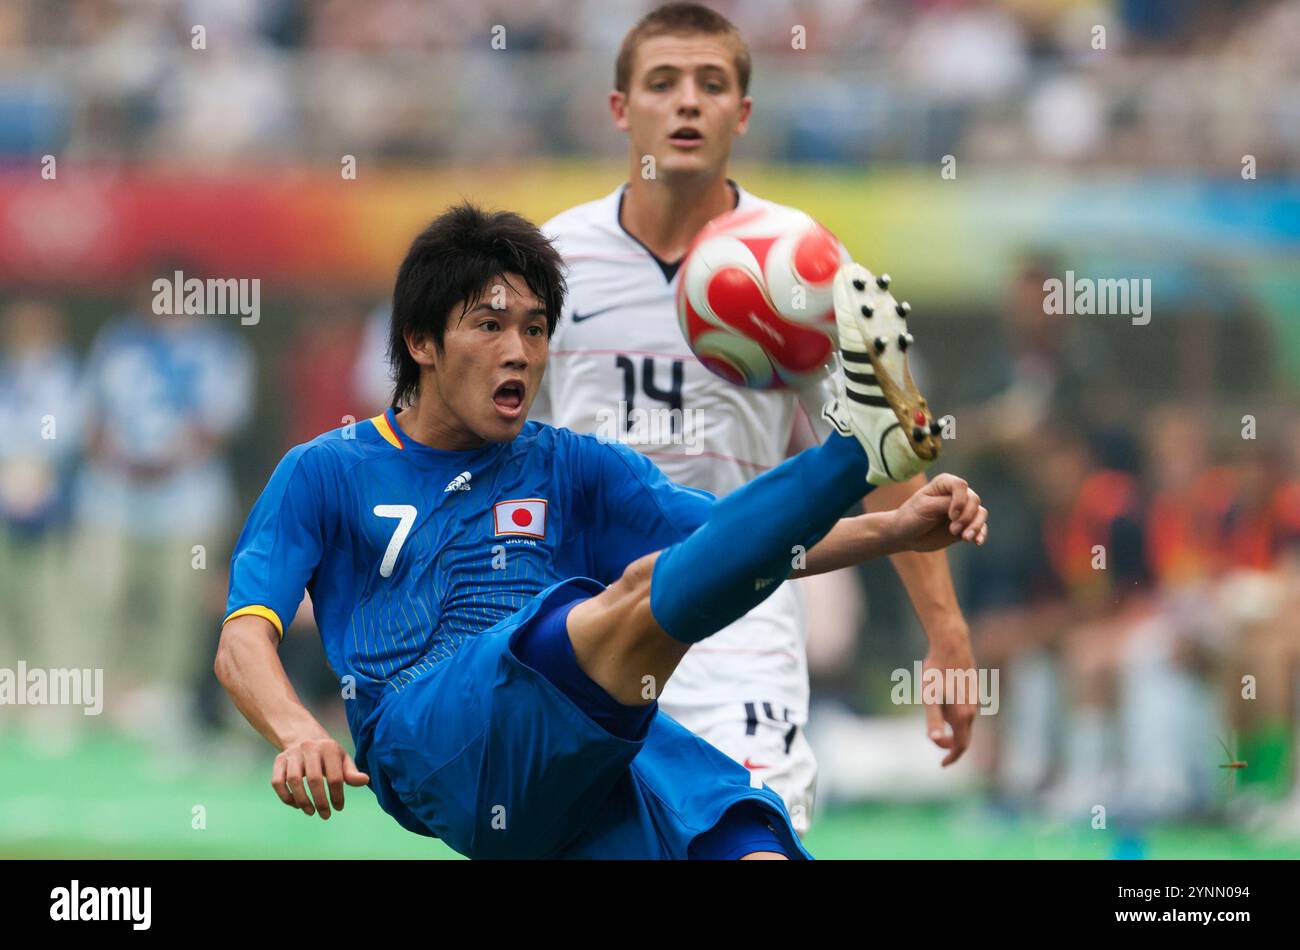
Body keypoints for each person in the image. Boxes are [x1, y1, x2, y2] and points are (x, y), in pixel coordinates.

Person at [214, 203, 988, 860]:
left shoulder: (571, 466)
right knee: (638, 592)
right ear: (420, 342)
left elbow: (735, 546)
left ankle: (857, 455)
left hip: (582, 742)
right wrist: (296, 731)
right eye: (490, 325)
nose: (520, 351)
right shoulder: (325, 470)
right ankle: (853, 450)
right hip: (430, 738)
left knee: (752, 850)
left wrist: (895, 530)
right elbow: (242, 640)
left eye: (537, 328)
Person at [532, 2, 976, 831]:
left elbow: (890, 452)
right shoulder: (550, 262)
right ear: (620, 108)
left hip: (743, 613)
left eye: (712, 84)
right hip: (587, 611)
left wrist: (945, 634)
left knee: (752, 839)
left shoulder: (806, 262)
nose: (688, 102)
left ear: (743, 110)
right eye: (663, 83)